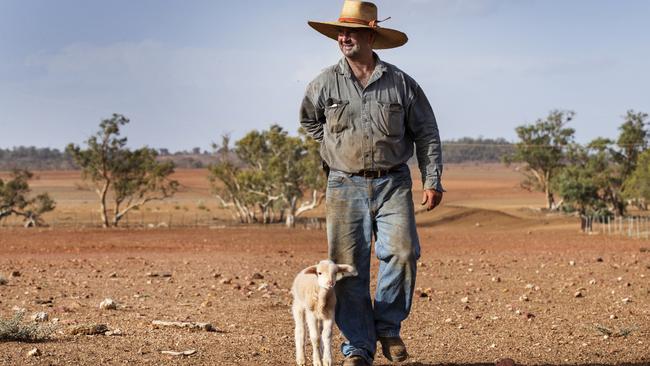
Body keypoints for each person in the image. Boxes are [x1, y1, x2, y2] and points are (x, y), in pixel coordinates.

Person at [299, 1, 443, 365]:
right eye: (339, 32)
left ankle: (388, 328)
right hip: (344, 185)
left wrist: (432, 179)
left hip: (393, 182)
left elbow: (426, 132)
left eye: (350, 31)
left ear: (371, 34)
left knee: (404, 252)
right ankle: (358, 348)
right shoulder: (324, 83)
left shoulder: (401, 84)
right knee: (347, 268)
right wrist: (334, 148)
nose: (343, 37)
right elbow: (309, 121)